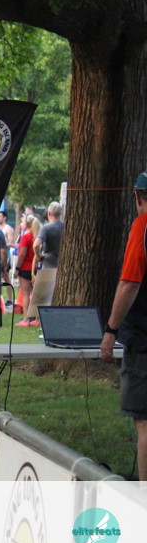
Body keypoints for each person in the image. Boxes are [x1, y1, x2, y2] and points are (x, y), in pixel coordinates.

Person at [101, 171, 147, 481]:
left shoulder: (142, 225)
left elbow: (130, 283)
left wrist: (111, 330)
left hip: (144, 341)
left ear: (137, 197)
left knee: (144, 422)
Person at [25, 202, 64, 326]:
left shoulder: (46, 228)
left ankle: (42, 322)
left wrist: (38, 256)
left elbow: (36, 245)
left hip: (49, 263)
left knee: (45, 295)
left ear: (49, 213)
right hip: (63, 264)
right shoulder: (65, 226)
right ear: (61, 213)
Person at [14, 214, 41, 326]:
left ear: (27, 224)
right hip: (36, 268)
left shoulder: (26, 237)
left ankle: (26, 319)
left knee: (25, 294)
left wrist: (17, 268)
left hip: (25, 268)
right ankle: (38, 318)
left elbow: (22, 254)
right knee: (36, 294)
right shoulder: (38, 236)